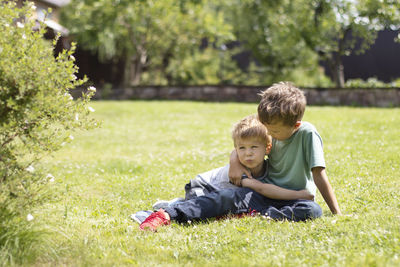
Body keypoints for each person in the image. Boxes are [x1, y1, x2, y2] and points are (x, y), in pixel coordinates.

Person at [137, 114, 317, 231]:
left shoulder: (270, 165)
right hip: (203, 187)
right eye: (242, 148)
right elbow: (261, 189)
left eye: (254, 147)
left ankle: (260, 214)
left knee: (311, 209)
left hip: (233, 196)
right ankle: (170, 211)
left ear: (268, 148)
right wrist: (300, 194)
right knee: (216, 203)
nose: (248, 153)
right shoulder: (242, 167)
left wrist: (302, 198)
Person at [229, 82, 341, 216]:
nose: (269, 134)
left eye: (274, 131)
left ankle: (264, 213)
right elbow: (243, 141)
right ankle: (262, 211)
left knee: (313, 211)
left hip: (296, 198)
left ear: (296, 125)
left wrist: (337, 212)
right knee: (232, 195)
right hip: (267, 193)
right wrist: (234, 160)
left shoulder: (308, 134)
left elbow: (319, 174)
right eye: (266, 128)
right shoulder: (269, 126)